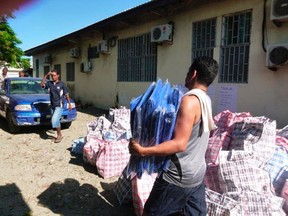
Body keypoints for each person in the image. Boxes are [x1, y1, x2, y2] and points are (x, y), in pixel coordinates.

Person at [129, 56, 218, 216]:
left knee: (152, 213)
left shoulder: (189, 101)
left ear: (194, 74)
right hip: (197, 175)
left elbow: (180, 144)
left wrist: (143, 151)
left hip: (178, 177)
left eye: (187, 71)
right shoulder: (206, 100)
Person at [41, 69, 72, 143]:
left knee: (54, 120)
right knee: (56, 121)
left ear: (58, 76)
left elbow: (66, 94)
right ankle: (59, 135)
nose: (53, 77)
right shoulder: (49, 83)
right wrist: (46, 75)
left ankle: (59, 135)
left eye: (54, 75)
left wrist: (69, 104)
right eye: (52, 76)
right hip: (52, 105)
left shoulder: (62, 84)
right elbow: (42, 85)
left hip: (59, 105)